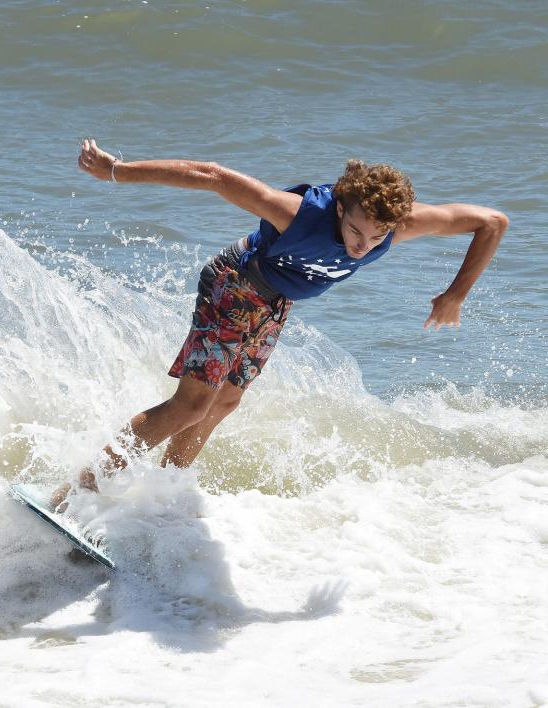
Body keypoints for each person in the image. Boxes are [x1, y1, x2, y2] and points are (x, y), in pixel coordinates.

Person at [50, 138, 508, 511]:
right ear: (341, 208)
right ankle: (75, 493)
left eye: (376, 238)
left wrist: (456, 294)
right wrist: (116, 170)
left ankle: (163, 498)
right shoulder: (298, 213)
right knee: (191, 405)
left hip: (273, 304)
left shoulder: (397, 224)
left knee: (224, 403)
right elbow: (212, 176)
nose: (361, 246)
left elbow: (492, 222)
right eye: (354, 231)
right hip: (233, 285)